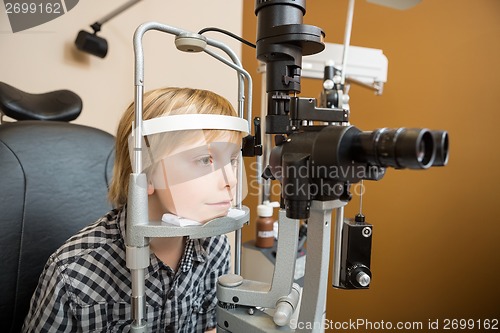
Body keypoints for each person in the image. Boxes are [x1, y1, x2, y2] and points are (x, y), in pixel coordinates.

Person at [22, 87, 245, 332]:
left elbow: (210, 328)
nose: (231, 180)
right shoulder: (73, 273)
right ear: (146, 173)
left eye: (232, 160)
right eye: (205, 160)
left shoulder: (215, 248)